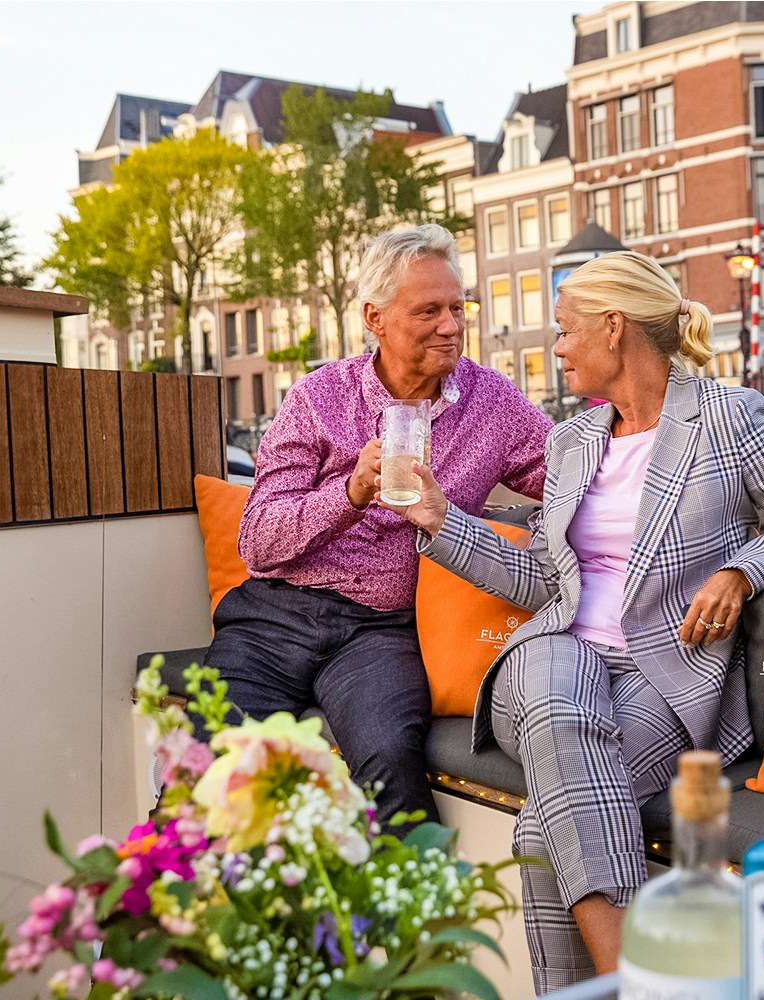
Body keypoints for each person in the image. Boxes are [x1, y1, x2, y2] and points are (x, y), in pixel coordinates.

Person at [387, 251, 764, 991]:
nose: (558, 348)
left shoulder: (728, 419)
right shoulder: (569, 442)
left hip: (664, 674)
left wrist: (743, 570)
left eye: (567, 331)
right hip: (555, 655)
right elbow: (543, 578)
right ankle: (636, 978)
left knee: (546, 829)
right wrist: (442, 520)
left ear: (614, 330)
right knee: (557, 686)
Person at [204, 224, 551, 831]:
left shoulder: (490, 401)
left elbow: (568, 475)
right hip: (276, 614)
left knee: (392, 765)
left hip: (384, 629)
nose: (451, 325)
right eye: (428, 311)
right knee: (211, 776)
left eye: (456, 307)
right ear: (376, 318)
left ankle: (405, 923)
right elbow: (257, 538)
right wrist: (350, 493)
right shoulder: (318, 397)